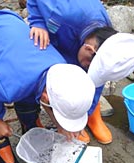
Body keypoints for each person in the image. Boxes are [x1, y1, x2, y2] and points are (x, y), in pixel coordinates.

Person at [0, 9, 95, 163]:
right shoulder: (5, 85)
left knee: (29, 94)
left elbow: (48, 97)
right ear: (46, 98)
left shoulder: (61, 67)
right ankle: (1, 146)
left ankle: (29, 123)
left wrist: (60, 125)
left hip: (10, 26)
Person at [27, 0, 122, 144]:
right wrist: (38, 22)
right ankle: (67, 115)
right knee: (61, 76)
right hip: (57, 34)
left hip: (78, 35)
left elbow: (97, 79)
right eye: (90, 64)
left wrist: (84, 113)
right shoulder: (60, 12)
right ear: (90, 49)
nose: (90, 69)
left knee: (92, 76)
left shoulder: (105, 34)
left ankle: (91, 116)